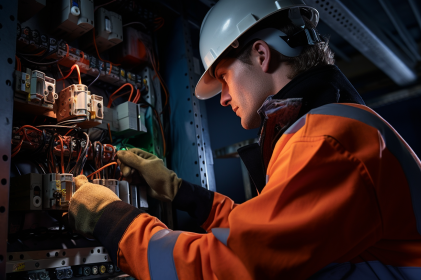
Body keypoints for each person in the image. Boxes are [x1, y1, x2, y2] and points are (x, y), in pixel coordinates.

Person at [68, 0, 421, 279]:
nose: (223, 97)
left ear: (261, 55)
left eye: (223, 78)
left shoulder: (327, 141)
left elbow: (233, 266)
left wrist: (112, 220)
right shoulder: (330, 127)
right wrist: (182, 193)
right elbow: (268, 234)